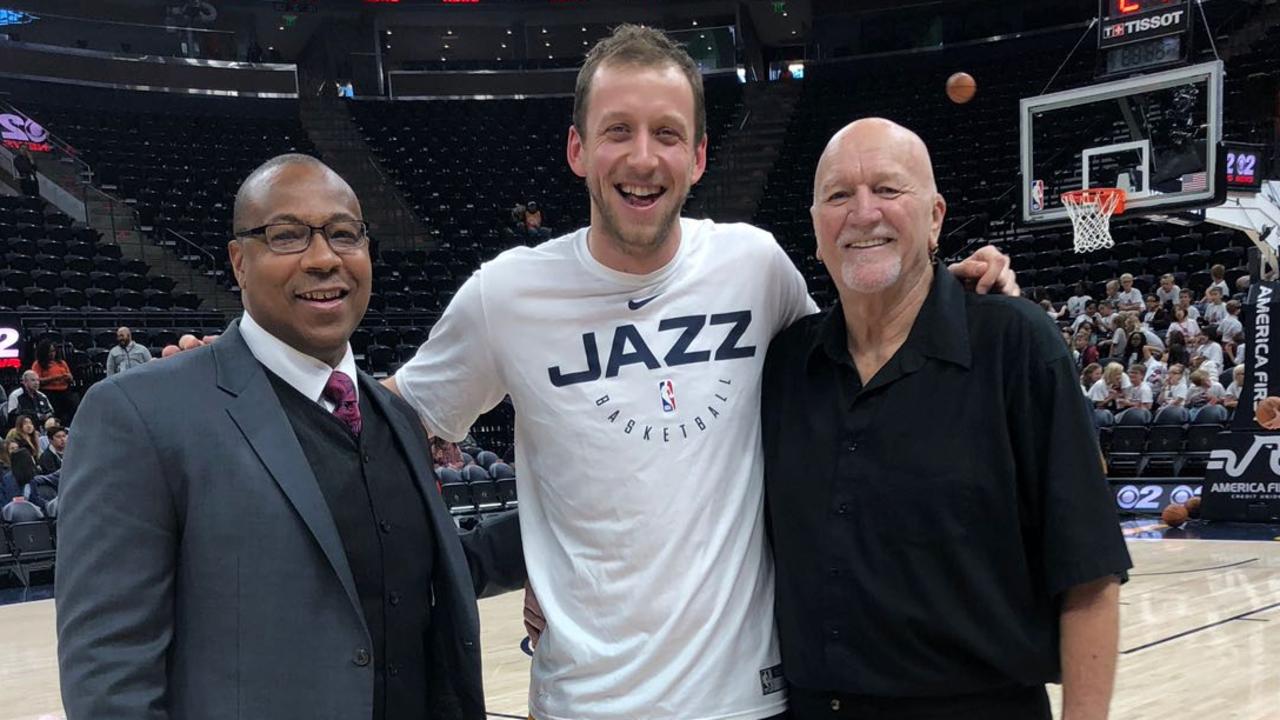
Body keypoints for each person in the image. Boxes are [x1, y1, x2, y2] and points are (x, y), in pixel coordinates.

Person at [386, 25, 1018, 720]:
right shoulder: (505, 295)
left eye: (667, 133)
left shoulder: (755, 267)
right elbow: (395, 423)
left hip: (750, 702)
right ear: (578, 149)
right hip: (582, 703)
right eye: (617, 130)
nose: (643, 157)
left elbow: (854, 364)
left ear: (699, 156)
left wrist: (941, 293)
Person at [56, 154, 526, 720]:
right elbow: (109, 673)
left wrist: (583, 517)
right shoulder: (138, 415)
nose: (324, 258)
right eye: (287, 236)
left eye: (344, 234)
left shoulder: (396, 418)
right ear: (238, 261)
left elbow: (412, 576)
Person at [760, 118, 1129, 719]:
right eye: (838, 195)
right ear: (817, 230)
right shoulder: (784, 365)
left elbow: (1090, 576)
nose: (863, 212)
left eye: (887, 189)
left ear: (935, 216)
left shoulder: (1018, 344)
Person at [31, 339, 79, 425]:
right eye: (50, 352)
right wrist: (55, 378)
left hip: (64, 391)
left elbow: (70, 377)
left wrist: (68, 377)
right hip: (49, 392)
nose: (52, 353)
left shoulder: (62, 363)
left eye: (53, 351)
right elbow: (37, 380)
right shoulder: (38, 364)